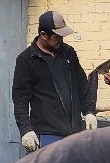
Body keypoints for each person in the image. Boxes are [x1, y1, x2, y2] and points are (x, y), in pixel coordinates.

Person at [12, 10, 97, 153]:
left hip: (74, 132)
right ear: (43, 35)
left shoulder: (68, 53)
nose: (61, 39)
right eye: (57, 36)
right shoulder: (26, 60)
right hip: (47, 133)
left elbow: (82, 84)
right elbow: (20, 97)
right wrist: (25, 129)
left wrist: (89, 111)